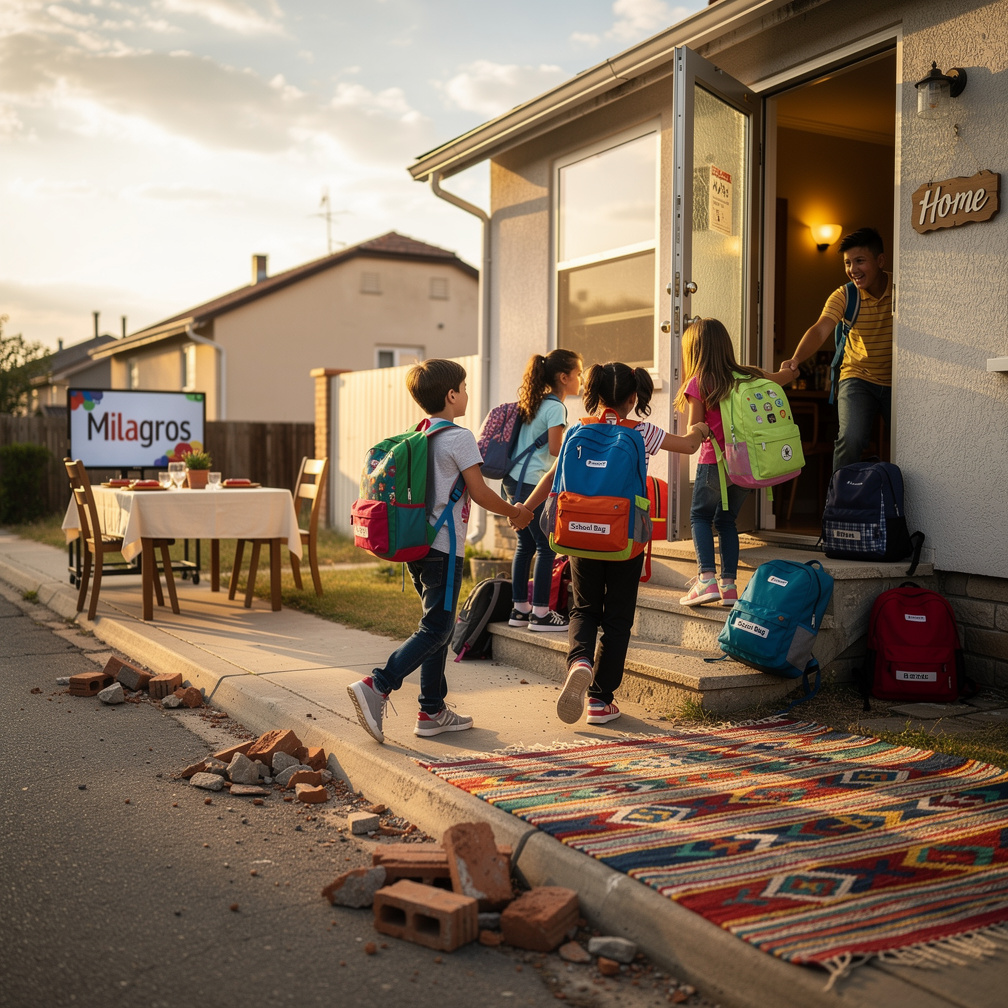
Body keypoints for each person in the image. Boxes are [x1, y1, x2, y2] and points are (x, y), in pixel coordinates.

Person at [347, 359, 533, 744]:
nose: (466, 394)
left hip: (418, 547)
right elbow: (479, 492)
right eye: (463, 388)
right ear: (451, 395)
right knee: (438, 627)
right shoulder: (460, 437)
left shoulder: (421, 434)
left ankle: (431, 710)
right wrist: (516, 511)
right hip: (444, 550)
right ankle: (378, 685)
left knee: (436, 629)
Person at [513, 362, 709, 726]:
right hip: (623, 538)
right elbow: (689, 445)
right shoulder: (642, 431)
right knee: (617, 619)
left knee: (583, 610)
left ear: (596, 394)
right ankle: (601, 701)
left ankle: (580, 661)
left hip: (578, 535)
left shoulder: (577, 429)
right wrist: (700, 424)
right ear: (633, 398)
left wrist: (525, 508)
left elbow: (553, 476)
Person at [674, 318, 797, 608]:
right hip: (747, 464)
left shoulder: (699, 381)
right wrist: (789, 368)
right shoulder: (749, 375)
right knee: (726, 520)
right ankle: (729, 586)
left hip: (714, 461)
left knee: (700, 517)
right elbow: (781, 379)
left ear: (694, 351)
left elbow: (696, 427)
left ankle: (706, 579)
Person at [782, 226, 893, 473]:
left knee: (910, 443)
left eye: (860, 261)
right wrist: (796, 359)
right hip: (858, 378)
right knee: (851, 439)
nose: (853, 269)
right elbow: (820, 330)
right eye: (847, 263)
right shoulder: (845, 295)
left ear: (880, 261)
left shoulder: (900, 289)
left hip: (899, 382)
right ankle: (838, 505)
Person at [502, 349, 583, 632]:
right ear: (564, 378)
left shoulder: (534, 403)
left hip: (514, 480)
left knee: (525, 545)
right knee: (547, 546)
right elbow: (555, 449)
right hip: (533, 482)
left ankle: (520, 609)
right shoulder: (556, 408)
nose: (581, 379)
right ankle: (541, 613)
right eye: (578, 374)